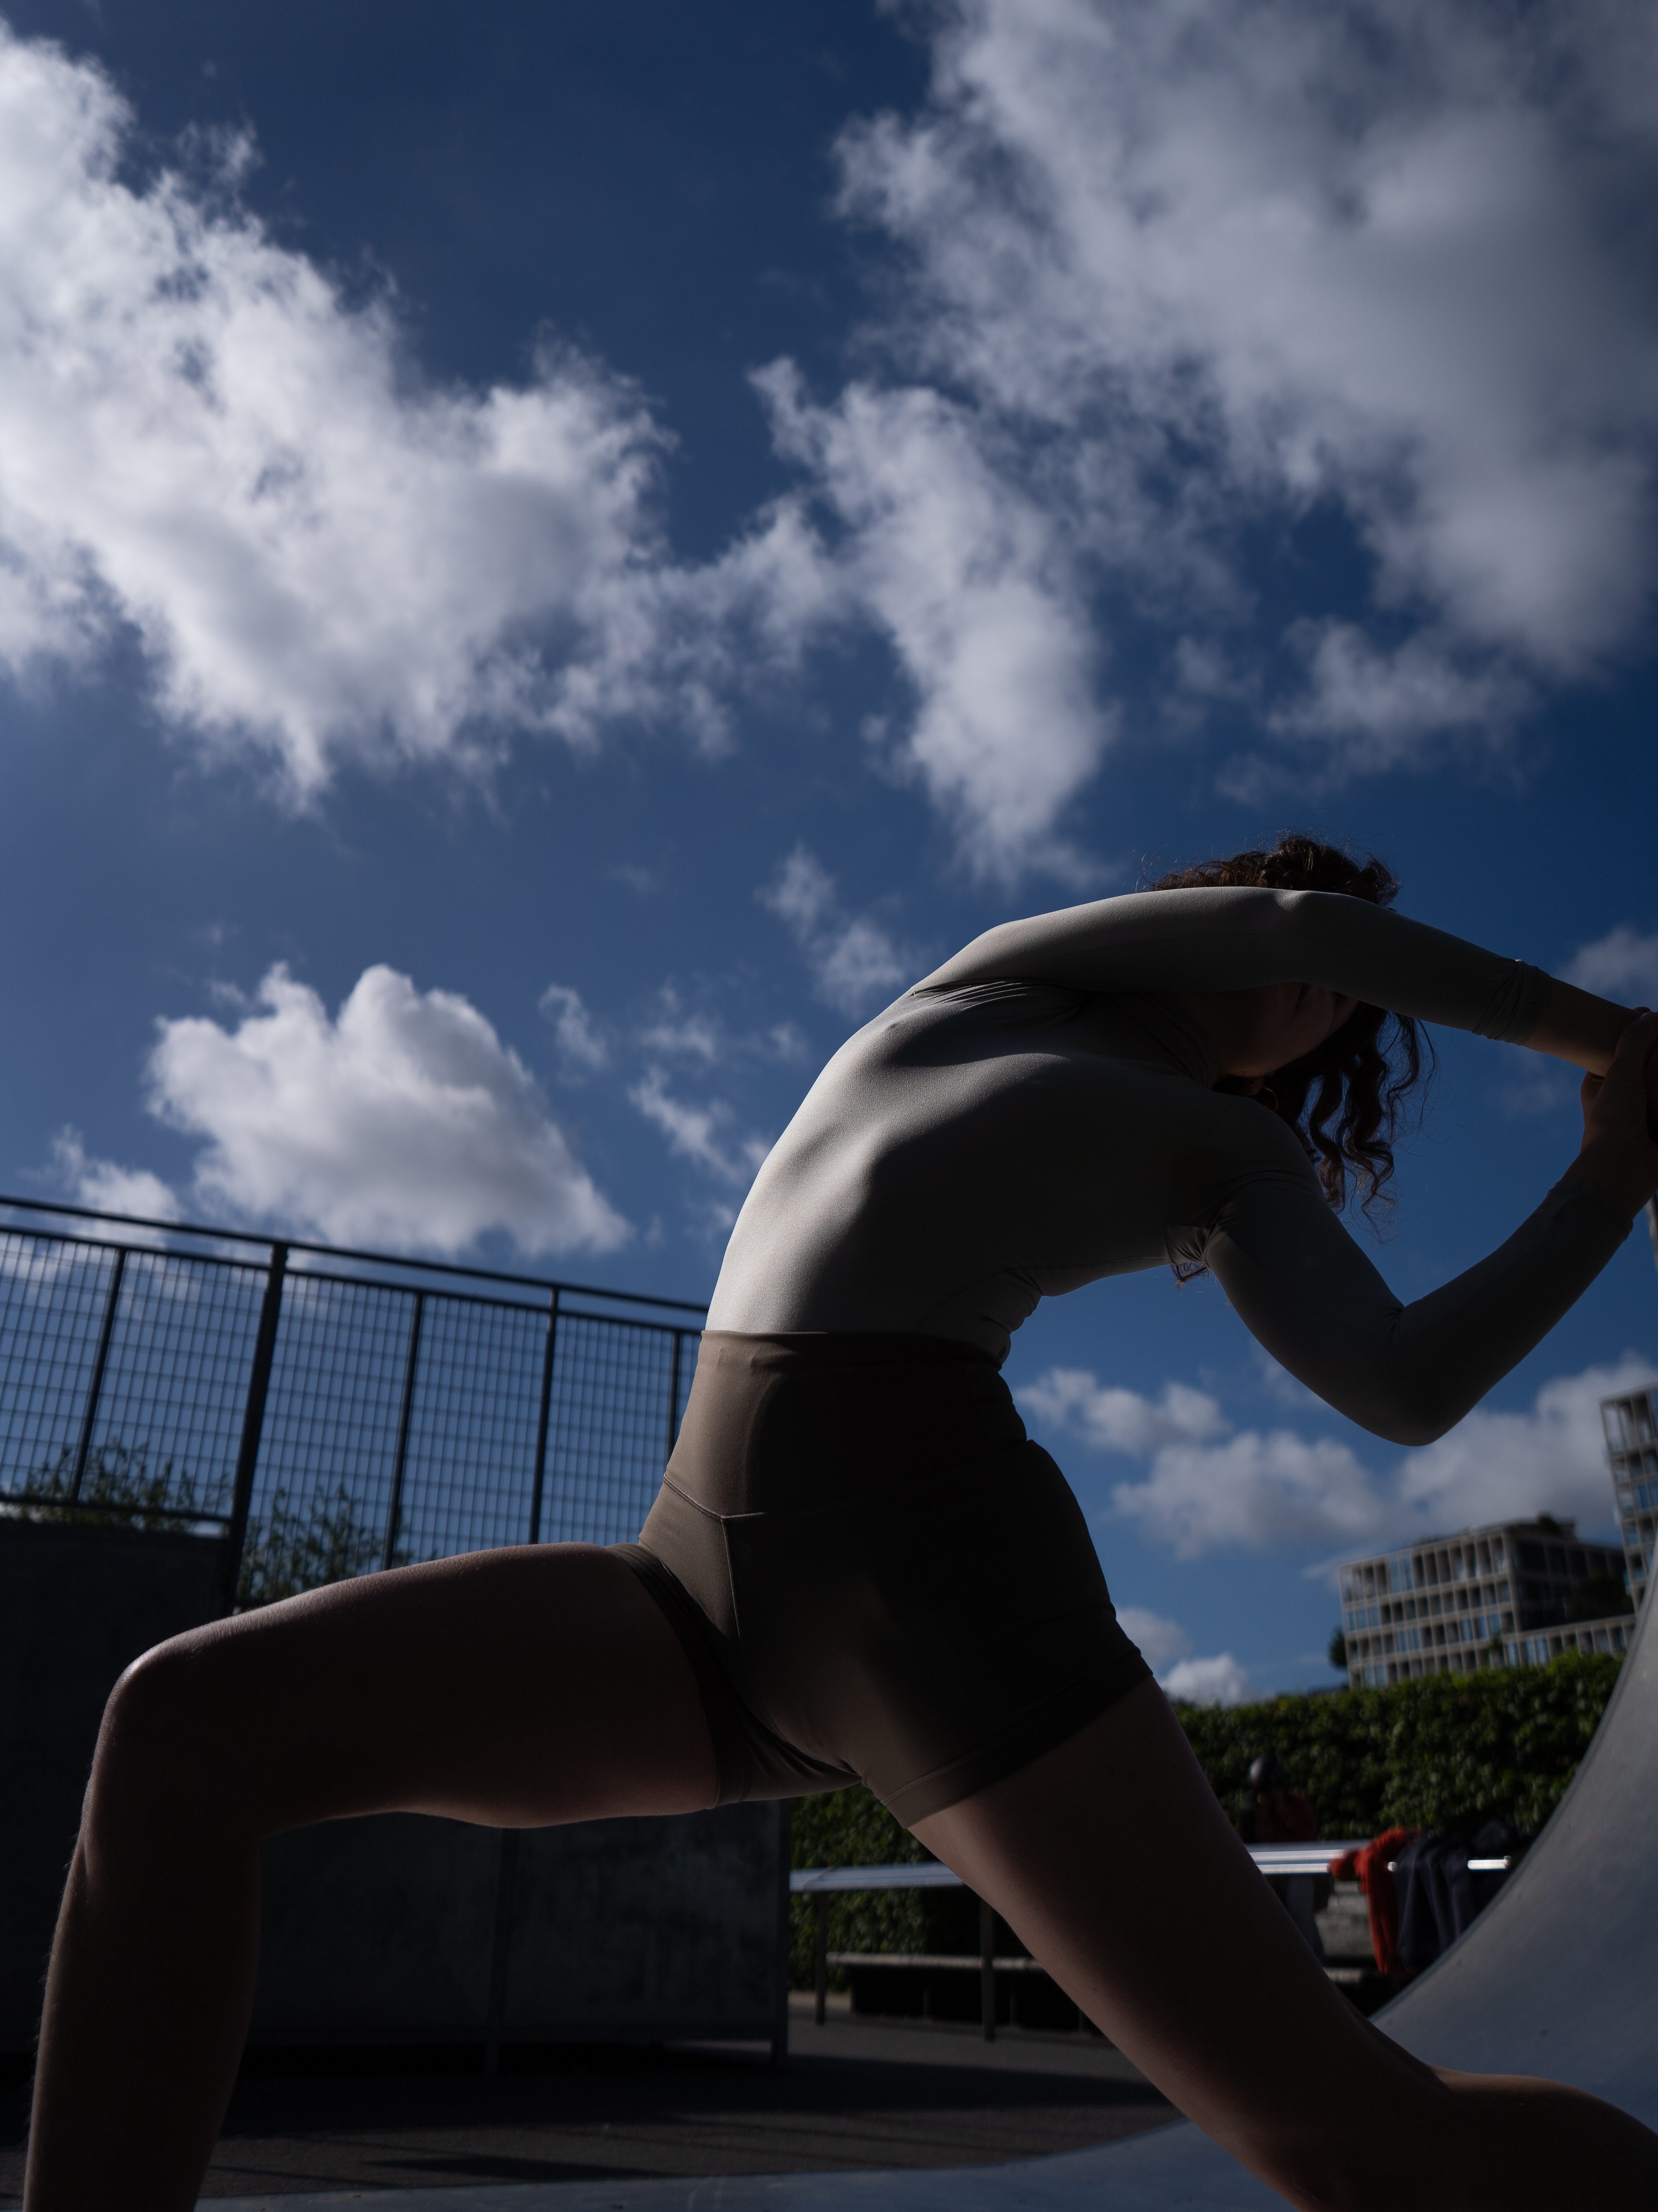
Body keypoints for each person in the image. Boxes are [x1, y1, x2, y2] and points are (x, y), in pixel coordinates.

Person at [25, 833, 1658, 2211]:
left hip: (935, 1586)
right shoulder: (999, 983)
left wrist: (1611, 1167)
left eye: (1351, 1003)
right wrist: (1617, 1032)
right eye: (1328, 948)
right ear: (1198, 915)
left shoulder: (1237, 1155)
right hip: (695, 1598)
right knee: (183, 1726)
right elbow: (1302, 923)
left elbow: (1401, 1384)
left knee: (1353, 2142)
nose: (1329, 988)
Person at [1239, 1752, 1325, 1957]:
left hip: (1302, 1872)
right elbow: (1249, 1846)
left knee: (1298, 1901)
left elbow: (1311, 1841)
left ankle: (1311, 1961)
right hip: (1270, 1874)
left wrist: (1286, 1814)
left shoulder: (1296, 1805)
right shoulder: (1254, 1811)